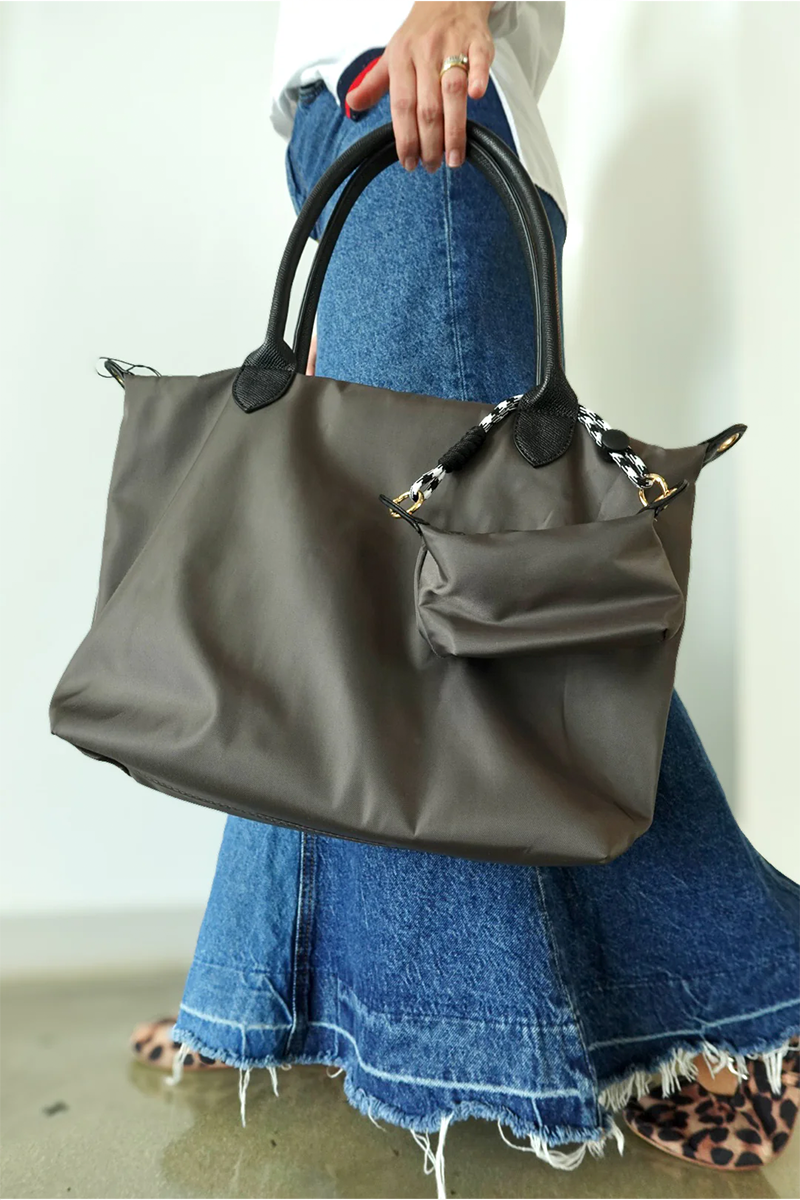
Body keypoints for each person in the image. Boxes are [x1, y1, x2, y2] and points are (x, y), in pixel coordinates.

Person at [131, 3, 799, 1189]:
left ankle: (740, 1004)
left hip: (426, 94)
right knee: (340, 583)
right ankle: (257, 990)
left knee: (453, 609)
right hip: (351, 121)